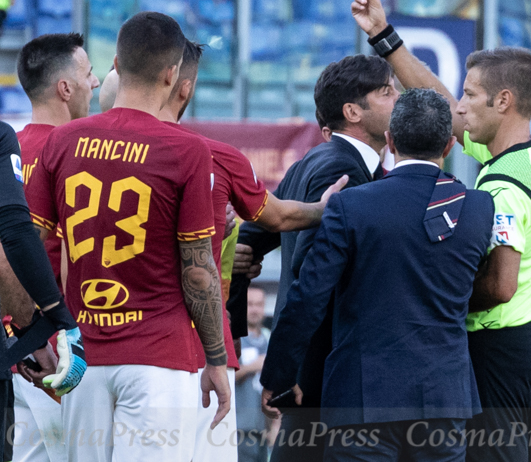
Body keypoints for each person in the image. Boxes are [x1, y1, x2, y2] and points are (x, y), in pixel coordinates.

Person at [352, 0, 531, 462]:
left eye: (471, 95)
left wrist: (435, 298)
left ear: (504, 101)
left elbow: (501, 284)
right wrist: (385, 36)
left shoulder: (504, 187)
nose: (460, 106)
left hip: (499, 349)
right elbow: (441, 101)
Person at [24, 11, 229, 462]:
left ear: (116, 62)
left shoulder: (61, 142)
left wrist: (28, 331)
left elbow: (26, 249)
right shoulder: (188, 150)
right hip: (159, 356)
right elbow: (198, 271)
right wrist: (215, 358)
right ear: (174, 74)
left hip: (81, 356)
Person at [261, 88, 495, 461]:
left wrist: (279, 375)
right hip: (443, 399)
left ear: (389, 141)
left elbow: (308, 297)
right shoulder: (480, 208)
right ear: (450, 145)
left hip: (361, 398)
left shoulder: (350, 205)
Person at [152, 40, 346, 461]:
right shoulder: (212, 155)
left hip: (88, 343)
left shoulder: (71, 146)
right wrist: (224, 352)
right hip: (181, 352)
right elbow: (274, 222)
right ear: (181, 85)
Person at [233, 53, 399, 462]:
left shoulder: (312, 160)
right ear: (352, 111)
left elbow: (244, 245)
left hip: (316, 376)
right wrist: (285, 369)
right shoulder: (341, 172)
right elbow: (312, 279)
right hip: (327, 378)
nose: (399, 98)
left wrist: (235, 331)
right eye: (387, 91)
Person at [8, 32, 99, 462]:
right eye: (88, 73)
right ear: (65, 88)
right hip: (58, 348)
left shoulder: (13, 149)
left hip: (19, 346)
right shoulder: (74, 155)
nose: (95, 83)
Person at [236, 286, 273, 462]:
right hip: (238, 429)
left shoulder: (270, 339)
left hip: (264, 430)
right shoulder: (234, 338)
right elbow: (221, 376)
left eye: (259, 304)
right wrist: (253, 366)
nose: (255, 309)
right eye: (250, 304)